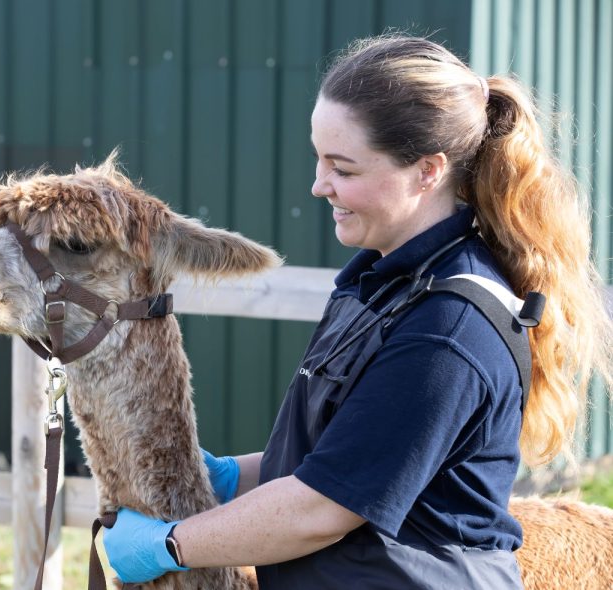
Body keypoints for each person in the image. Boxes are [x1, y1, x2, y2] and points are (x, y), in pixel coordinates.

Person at [101, 34, 613, 588]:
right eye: (319, 159)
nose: (319, 186)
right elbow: (339, 458)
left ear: (427, 170)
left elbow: (322, 509)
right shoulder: (378, 285)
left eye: (343, 169)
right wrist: (231, 477)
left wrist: (170, 544)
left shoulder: (449, 331)